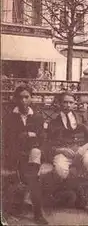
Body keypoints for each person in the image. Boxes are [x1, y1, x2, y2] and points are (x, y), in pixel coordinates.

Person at [47, 92, 88, 216]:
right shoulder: (53, 123)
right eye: (65, 102)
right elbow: (48, 144)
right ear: (59, 104)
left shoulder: (81, 118)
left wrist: (84, 148)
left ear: (74, 104)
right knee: (61, 171)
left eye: (70, 102)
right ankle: (79, 194)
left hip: (82, 149)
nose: (67, 105)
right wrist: (60, 150)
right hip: (64, 152)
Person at [2, 84, 48, 224]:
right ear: (15, 99)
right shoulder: (9, 118)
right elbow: (7, 141)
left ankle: (36, 212)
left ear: (31, 99)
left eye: (26, 97)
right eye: (20, 97)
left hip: (34, 154)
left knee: (34, 154)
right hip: (16, 154)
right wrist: (27, 136)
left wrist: (27, 135)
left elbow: (41, 139)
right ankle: (38, 213)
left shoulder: (38, 117)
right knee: (33, 177)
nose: (23, 100)